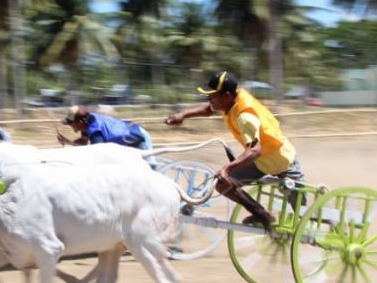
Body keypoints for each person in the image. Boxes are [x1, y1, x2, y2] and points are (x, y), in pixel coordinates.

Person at [164, 71, 304, 230]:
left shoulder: (245, 117)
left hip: (282, 162)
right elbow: (208, 110)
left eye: (212, 96)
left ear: (227, 96)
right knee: (223, 184)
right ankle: (263, 215)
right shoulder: (229, 102)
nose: (209, 100)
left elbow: (254, 151)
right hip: (260, 163)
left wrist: (227, 167)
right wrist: (183, 115)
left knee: (303, 213)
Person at [57, 105, 153, 151]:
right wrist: (68, 142)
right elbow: (83, 142)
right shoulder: (87, 122)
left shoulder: (95, 131)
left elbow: (98, 153)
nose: (70, 125)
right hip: (131, 134)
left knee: (150, 169)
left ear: (81, 122)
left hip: (138, 135)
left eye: (72, 123)